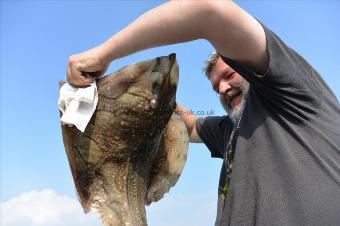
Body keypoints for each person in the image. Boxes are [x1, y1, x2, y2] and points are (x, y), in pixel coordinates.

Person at [66, 1, 340, 225]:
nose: (222, 88)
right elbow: (186, 125)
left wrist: (103, 55)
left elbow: (208, 11)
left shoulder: (292, 94)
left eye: (230, 74)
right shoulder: (231, 131)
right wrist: (146, 96)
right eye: (214, 86)